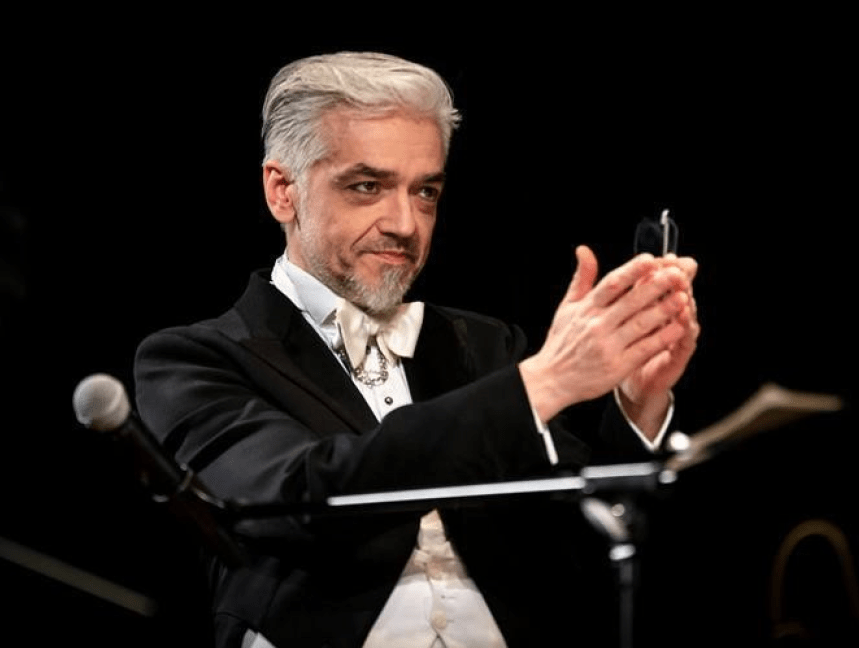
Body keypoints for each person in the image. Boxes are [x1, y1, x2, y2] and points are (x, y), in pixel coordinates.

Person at [133, 51, 699, 648]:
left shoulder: (484, 345)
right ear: (282, 191)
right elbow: (297, 499)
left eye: (425, 191)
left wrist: (638, 401)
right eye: (367, 186)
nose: (405, 223)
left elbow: (587, 537)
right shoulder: (194, 360)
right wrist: (543, 384)